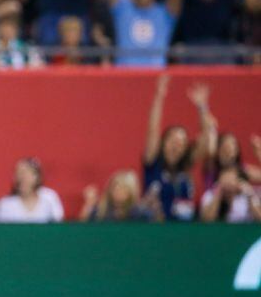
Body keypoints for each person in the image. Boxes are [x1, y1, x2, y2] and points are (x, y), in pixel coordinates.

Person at [142, 74, 213, 222]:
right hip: (156, 227)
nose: (176, 144)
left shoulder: (186, 166)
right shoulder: (152, 162)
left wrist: (202, 107)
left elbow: (206, 139)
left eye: (181, 141)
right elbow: (152, 129)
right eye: (173, 139)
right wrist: (159, 96)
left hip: (184, 230)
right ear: (164, 142)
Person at [0, 157, 63, 223]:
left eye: (26, 173)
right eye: (18, 173)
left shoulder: (49, 198)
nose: (22, 177)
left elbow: (58, 226)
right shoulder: (6, 203)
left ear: (37, 176)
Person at [79, 170, 160, 222]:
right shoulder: (100, 213)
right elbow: (83, 229)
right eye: (115, 189)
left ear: (130, 192)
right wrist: (88, 205)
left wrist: (156, 210)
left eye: (122, 189)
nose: (118, 193)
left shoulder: (140, 214)